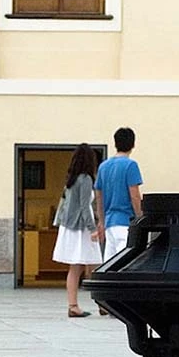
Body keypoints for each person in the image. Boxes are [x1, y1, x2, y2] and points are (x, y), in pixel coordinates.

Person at [52, 144, 102, 317]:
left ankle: (73, 305)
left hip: (69, 226)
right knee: (94, 264)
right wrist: (93, 228)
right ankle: (102, 303)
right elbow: (85, 206)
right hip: (81, 228)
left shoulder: (71, 179)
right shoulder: (86, 179)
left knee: (76, 267)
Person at [94, 127, 143, 263]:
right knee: (125, 264)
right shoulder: (130, 165)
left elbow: (99, 196)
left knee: (109, 266)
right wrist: (140, 218)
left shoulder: (103, 166)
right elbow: (134, 195)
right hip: (126, 222)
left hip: (109, 222)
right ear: (133, 144)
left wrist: (101, 221)